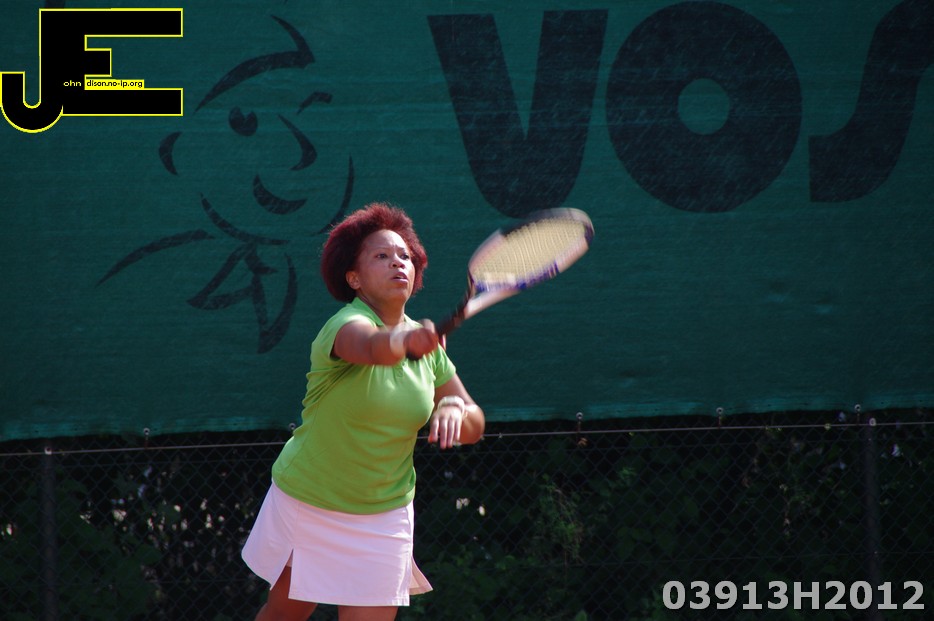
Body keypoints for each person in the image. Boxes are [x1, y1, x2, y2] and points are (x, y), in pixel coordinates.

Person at [242, 202, 485, 621]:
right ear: (354, 278)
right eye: (382, 255)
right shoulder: (344, 325)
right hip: (311, 498)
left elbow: (474, 424)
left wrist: (452, 406)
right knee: (284, 615)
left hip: (385, 514)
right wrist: (404, 343)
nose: (397, 263)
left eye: (404, 256)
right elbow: (370, 347)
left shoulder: (428, 347)